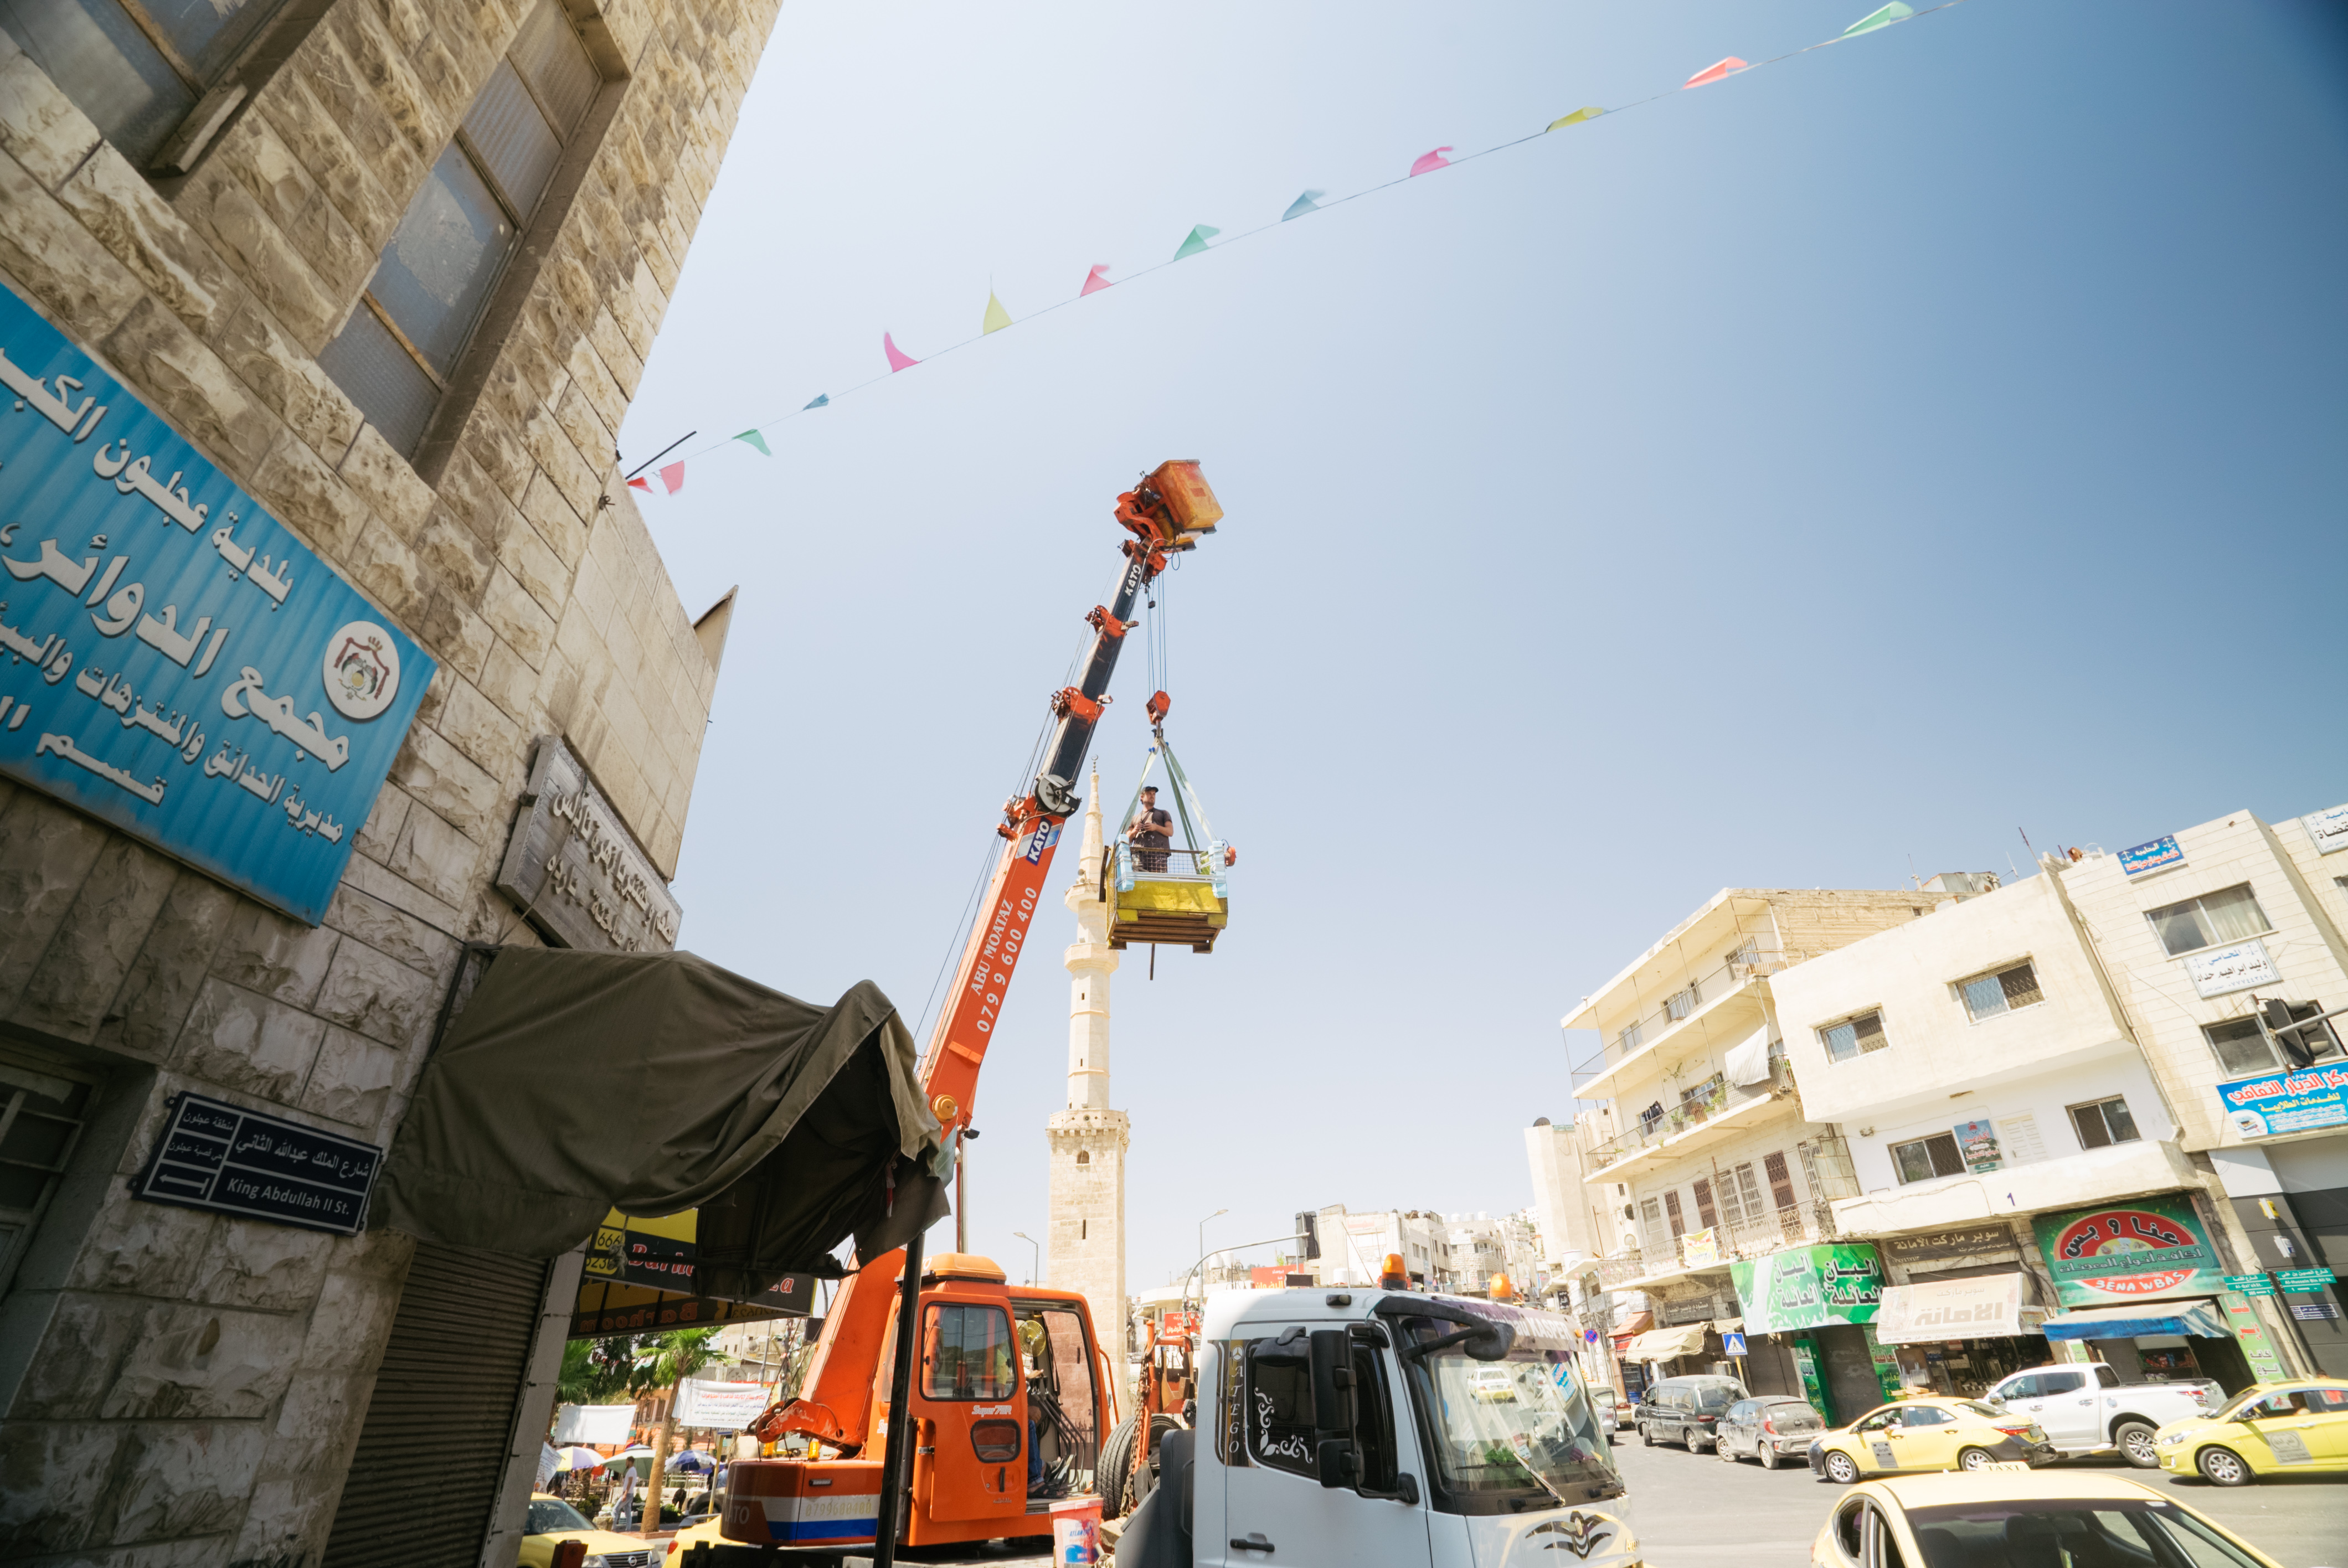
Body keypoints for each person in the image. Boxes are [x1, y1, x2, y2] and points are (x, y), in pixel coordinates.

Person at [1127, 786, 1172, 872]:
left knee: (1158, 882)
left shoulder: (1163, 813)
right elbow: (1127, 840)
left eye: (1154, 794)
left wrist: (1155, 827)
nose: (1152, 796)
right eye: (1149, 794)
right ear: (1142, 797)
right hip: (1139, 857)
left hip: (1158, 855)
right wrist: (1134, 831)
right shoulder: (1134, 819)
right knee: (1139, 883)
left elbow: (1170, 832)